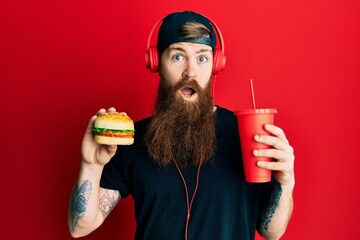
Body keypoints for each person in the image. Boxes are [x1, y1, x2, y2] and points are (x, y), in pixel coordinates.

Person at [68, 11, 295, 240]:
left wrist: (285, 182)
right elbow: (79, 227)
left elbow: (271, 232)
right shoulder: (129, 141)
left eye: (202, 58)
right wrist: (91, 165)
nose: (190, 71)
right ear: (156, 62)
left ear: (216, 65)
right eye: (178, 57)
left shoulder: (246, 135)